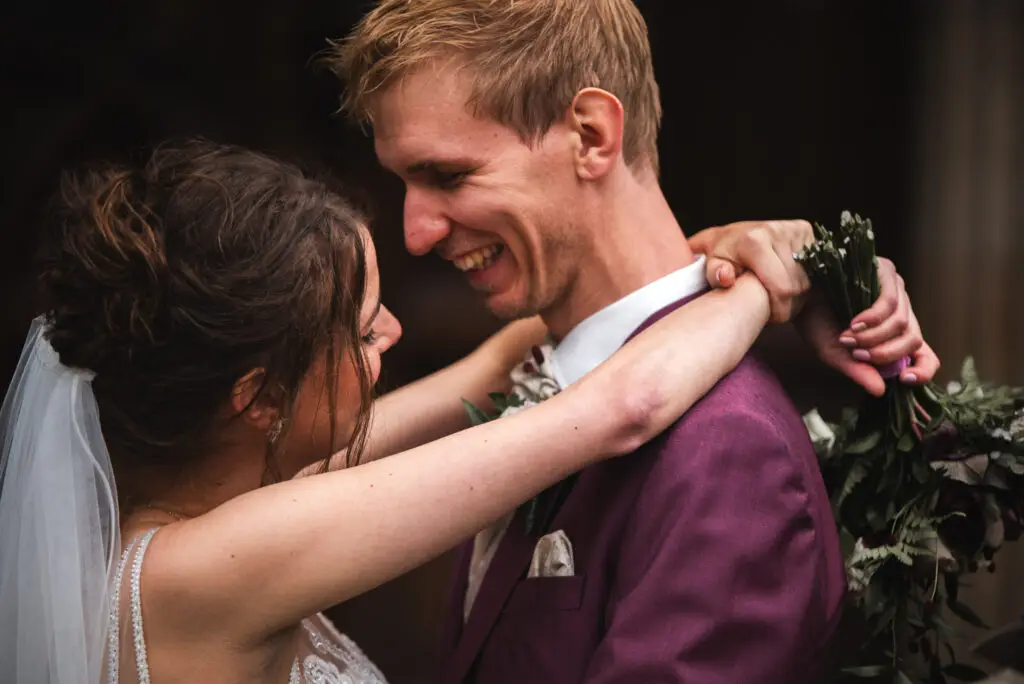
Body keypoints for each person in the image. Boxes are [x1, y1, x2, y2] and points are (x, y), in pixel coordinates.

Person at [0, 138, 903, 684]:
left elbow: (497, 362)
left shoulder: (187, 524)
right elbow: (627, 404)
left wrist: (746, 247)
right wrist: (771, 284)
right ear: (259, 399)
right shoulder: (216, 567)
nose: (394, 332)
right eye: (362, 334)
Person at [330, 2, 941, 682]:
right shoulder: (529, 373)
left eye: (449, 176)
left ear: (591, 136)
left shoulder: (731, 449)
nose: (416, 233)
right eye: (405, 183)